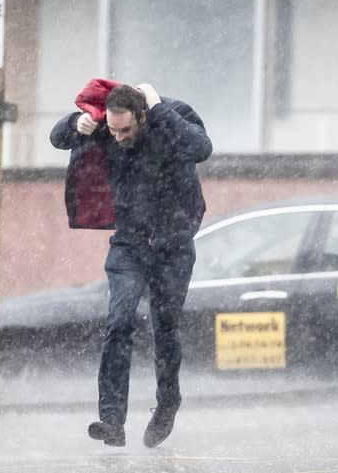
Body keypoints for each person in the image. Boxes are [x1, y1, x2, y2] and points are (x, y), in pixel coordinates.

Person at [50, 81, 212, 448]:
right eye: (113, 129)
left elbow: (201, 148)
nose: (119, 136)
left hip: (174, 245)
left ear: (142, 116)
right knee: (119, 321)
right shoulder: (106, 128)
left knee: (165, 327)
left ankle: (167, 403)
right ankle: (111, 420)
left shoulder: (172, 116)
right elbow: (58, 138)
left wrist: (159, 110)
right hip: (129, 243)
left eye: (126, 129)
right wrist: (77, 123)